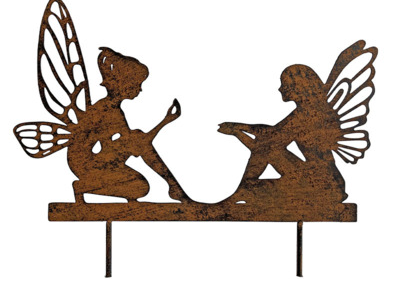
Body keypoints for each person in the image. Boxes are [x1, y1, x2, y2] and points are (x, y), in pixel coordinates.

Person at [68, 47, 190, 203]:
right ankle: (174, 188)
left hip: (100, 161)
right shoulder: (105, 110)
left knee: (140, 187)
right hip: (86, 164)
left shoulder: (114, 109)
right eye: (136, 84)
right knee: (137, 137)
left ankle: (169, 189)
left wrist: (165, 121)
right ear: (123, 83)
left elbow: (130, 145)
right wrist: (164, 123)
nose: (140, 89)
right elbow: (135, 144)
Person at [218, 64, 347, 205]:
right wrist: (239, 130)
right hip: (325, 183)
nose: (280, 89)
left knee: (265, 151)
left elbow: (270, 139)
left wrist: (237, 131)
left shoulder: (307, 114)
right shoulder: (306, 112)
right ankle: (241, 192)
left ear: (297, 86)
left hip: (323, 186)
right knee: (262, 160)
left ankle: (239, 194)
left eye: (284, 84)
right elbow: (273, 133)